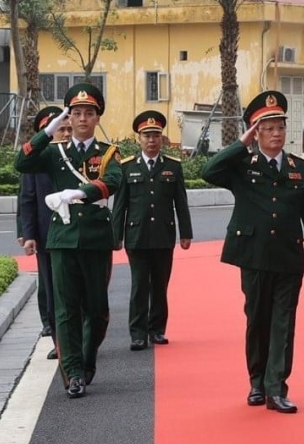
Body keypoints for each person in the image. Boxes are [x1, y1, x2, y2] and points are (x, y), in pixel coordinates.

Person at [203, 90, 304, 414]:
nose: (276, 133)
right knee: (257, 319)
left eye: (280, 127)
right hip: (254, 256)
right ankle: (257, 382)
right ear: (256, 131)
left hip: (289, 258)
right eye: (268, 127)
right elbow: (209, 171)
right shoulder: (244, 166)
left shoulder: (299, 168)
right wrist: (240, 144)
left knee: (283, 323)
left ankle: (277, 388)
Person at [15, 83, 122, 400]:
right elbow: (21, 164)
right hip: (61, 239)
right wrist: (46, 132)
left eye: (89, 113)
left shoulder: (107, 154)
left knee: (97, 310)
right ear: (69, 117)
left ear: (97, 117)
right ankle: (73, 373)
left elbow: (113, 180)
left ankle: (87, 363)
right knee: (65, 311)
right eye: (76, 113)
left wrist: (80, 193)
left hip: (95, 239)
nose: (83, 119)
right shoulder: (53, 152)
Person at [112, 111, 193, 351]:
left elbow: (181, 202)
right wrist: (116, 236)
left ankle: (157, 330)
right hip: (136, 236)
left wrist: (186, 233)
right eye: (147, 135)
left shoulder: (172, 167)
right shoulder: (127, 167)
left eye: (156, 135)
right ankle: (137, 333)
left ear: (162, 138)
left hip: (163, 235)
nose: (151, 140)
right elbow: (120, 206)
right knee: (139, 286)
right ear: (139, 138)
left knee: (160, 284)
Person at [17, 106, 72, 360]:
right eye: (61, 129)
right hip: (47, 236)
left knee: (77, 290)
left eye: (68, 129)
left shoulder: (79, 157)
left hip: (76, 235)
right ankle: (59, 341)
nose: (66, 134)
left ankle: (78, 339)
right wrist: (27, 234)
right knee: (51, 290)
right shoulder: (38, 162)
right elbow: (27, 200)